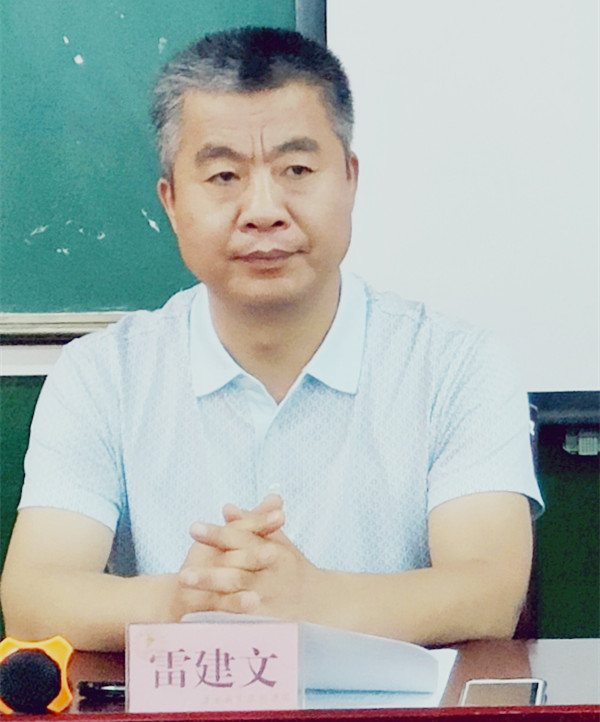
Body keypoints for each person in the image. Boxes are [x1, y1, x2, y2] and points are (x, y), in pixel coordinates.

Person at [1, 27, 543, 652]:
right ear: (171, 202)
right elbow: (32, 597)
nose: (264, 210)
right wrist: (185, 602)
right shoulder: (102, 374)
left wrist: (313, 602)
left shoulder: (457, 364)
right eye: (224, 175)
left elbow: (490, 591)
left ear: (350, 180)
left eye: (297, 170)